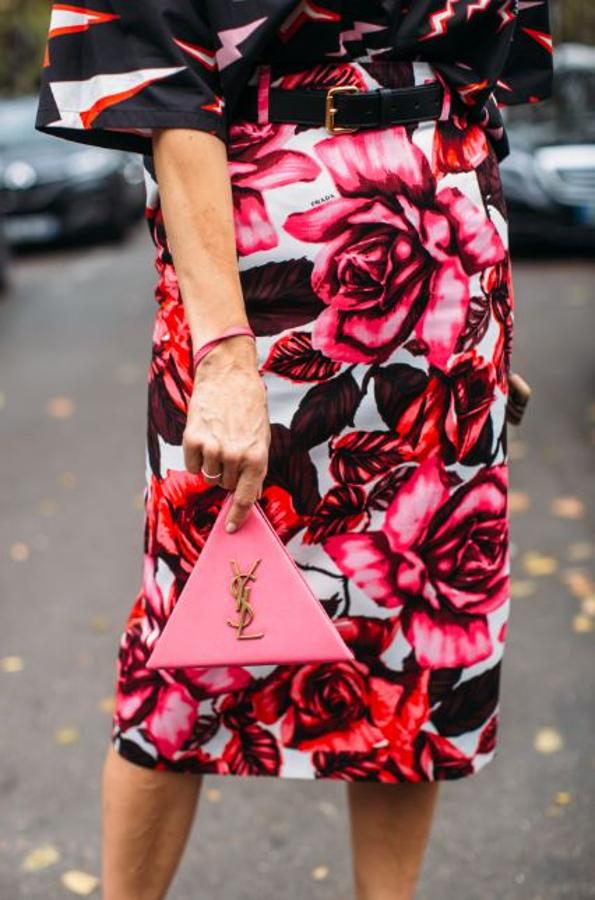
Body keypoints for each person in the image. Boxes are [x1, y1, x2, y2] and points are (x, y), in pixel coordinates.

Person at [36, 2, 553, 898]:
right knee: (190, 643)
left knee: (414, 645)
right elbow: (162, 85)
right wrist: (223, 353)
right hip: (268, 259)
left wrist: (486, 320)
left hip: (447, 252)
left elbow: (469, 87)